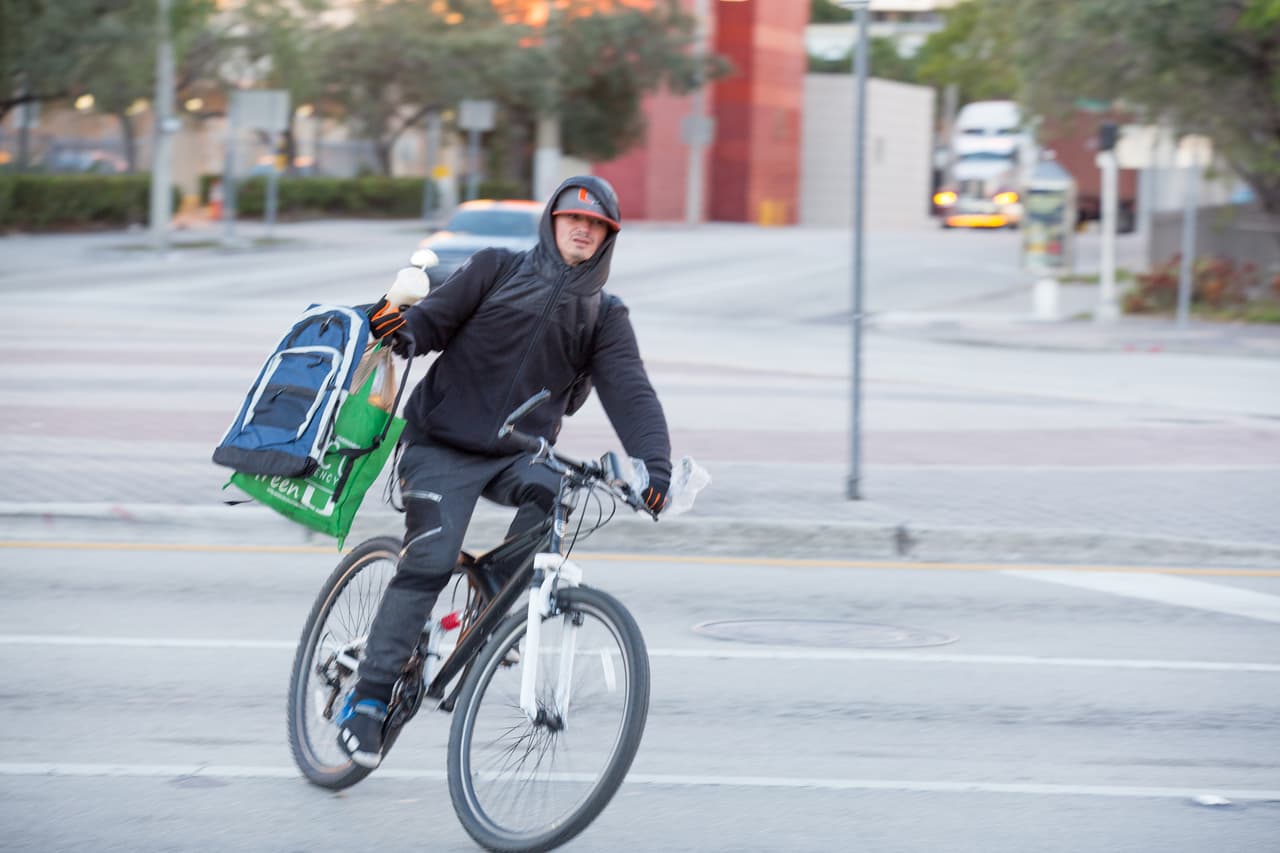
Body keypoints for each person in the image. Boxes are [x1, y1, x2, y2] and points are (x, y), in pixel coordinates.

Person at [337, 176, 672, 769]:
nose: (583, 229)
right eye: (574, 218)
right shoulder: (496, 268)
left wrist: (656, 466)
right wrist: (402, 332)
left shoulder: (605, 316)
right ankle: (365, 699)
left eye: (597, 225)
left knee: (558, 497)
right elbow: (432, 322)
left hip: (519, 453)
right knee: (431, 561)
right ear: (551, 220)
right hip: (440, 443)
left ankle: (489, 604)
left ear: (607, 239)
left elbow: (630, 391)